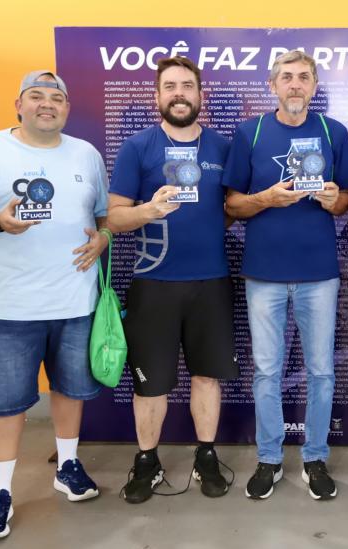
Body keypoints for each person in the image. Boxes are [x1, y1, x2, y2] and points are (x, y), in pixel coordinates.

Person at [0, 70, 108, 540]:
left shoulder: (86, 154)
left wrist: (103, 238)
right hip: (12, 306)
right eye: (36, 97)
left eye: (55, 98)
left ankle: (68, 467)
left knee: (70, 390)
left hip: (76, 300)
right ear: (18, 104)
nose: (46, 104)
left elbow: (100, 215)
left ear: (66, 108)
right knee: (7, 405)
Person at [223, 50, 348, 501]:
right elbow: (232, 205)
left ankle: (315, 458)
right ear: (272, 85)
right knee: (266, 371)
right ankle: (270, 459)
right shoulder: (251, 132)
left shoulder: (332, 132)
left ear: (315, 86)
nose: (295, 85)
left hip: (319, 274)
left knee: (320, 371)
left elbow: (347, 201)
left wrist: (334, 198)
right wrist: (266, 199)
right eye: (287, 77)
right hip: (264, 274)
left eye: (303, 77)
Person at [107, 56, 238, 503]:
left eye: (187, 85)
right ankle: (148, 462)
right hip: (153, 285)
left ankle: (205, 457)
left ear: (200, 95)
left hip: (212, 283)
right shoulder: (137, 147)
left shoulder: (223, 147)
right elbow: (114, 217)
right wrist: (149, 210)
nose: (179, 93)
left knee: (207, 377)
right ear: (157, 97)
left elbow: (235, 208)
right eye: (170, 86)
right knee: (151, 383)